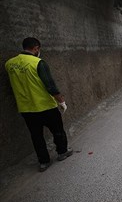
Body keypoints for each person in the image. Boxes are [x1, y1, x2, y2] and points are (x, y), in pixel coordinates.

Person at [5, 37, 73, 172]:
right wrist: (61, 101)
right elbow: (50, 85)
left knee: (36, 136)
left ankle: (44, 162)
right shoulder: (38, 63)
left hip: (26, 108)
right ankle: (62, 152)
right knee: (57, 130)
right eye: (38, 49)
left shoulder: (9, 64)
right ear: (36, 48)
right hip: (45, 106)